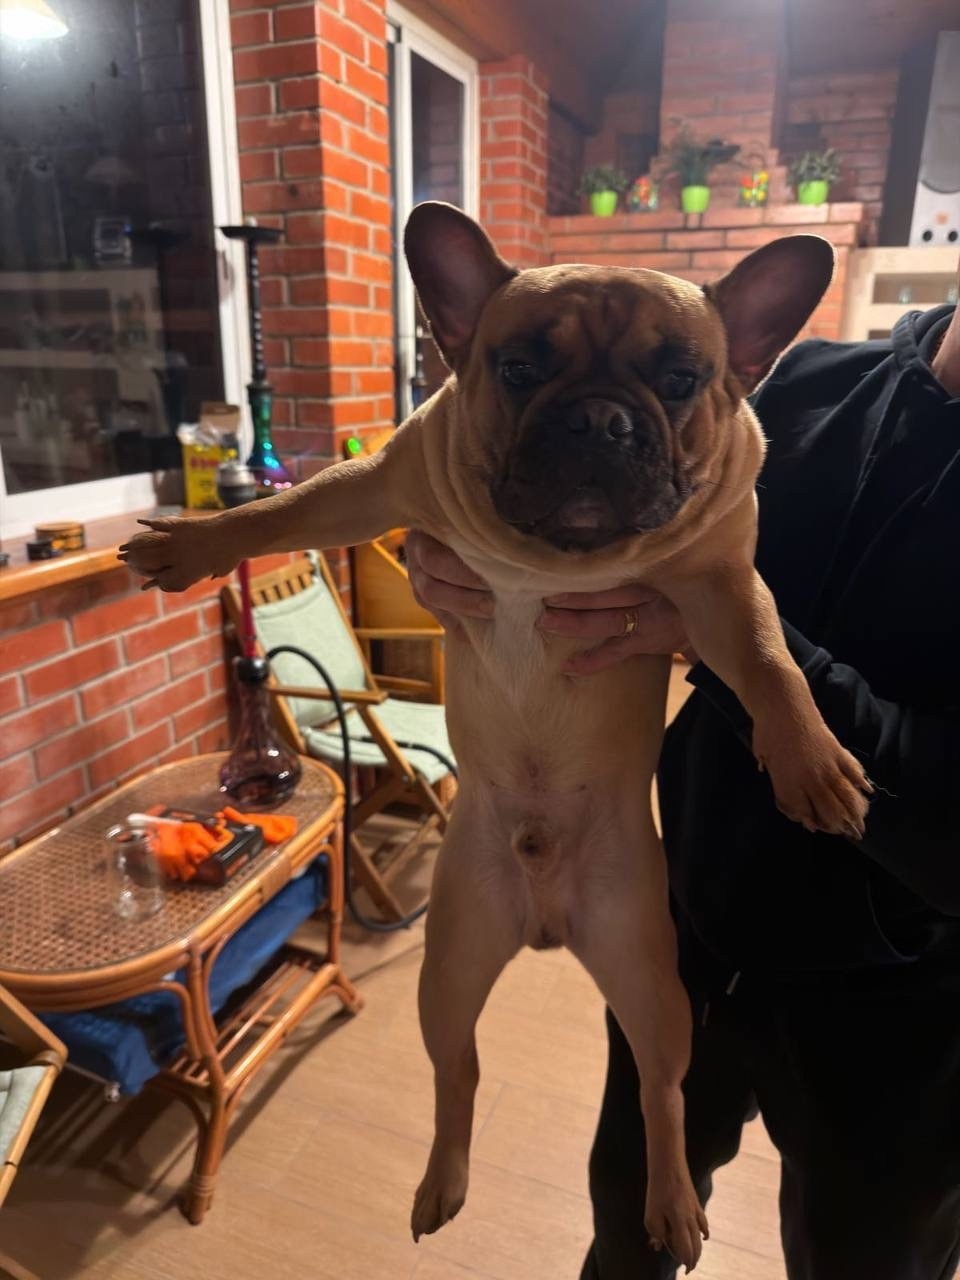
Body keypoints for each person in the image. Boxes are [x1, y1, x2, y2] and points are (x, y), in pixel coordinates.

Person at [403, 289, 960, 1279]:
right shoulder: (804, 385)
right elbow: (622, 547)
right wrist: (464, 557)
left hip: (900, 1008)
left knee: (863, 1260)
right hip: (689, 922)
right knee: (629, 1226)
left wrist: (728, 644)